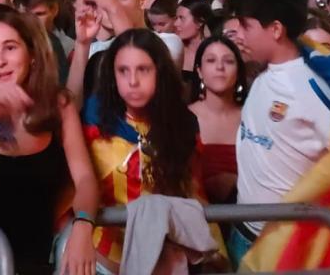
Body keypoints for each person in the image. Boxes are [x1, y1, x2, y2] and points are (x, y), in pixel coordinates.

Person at [0, 8, 98, 275]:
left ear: (32, 55)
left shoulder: (58, 105)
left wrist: (83, 226)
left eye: (10, 48)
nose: (0, 60)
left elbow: (85, 178)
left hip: (35, 262)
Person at [83, 29, 224, 273]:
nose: (133, 81)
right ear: (112, 75)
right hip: (99, 260)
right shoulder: (92, 121)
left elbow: (193, 192)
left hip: (160, 261)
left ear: (160, 72)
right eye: (123, 70)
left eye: (143, 70)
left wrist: (216, 252)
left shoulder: (182, 125)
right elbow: (73, 189)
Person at [229, 0, 330, 264]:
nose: (239, 35)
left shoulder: (312, 88)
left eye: (246, 25)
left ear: (275, 29)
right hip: (243, 232)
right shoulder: (263, 77)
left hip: (287, 248)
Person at [189, 35, 247, 204]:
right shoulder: (182, 117)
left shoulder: (252, 116)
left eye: (228, 61)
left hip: (247, 213)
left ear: (238, 71)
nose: (220, 67)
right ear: (199, 71)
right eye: (211, 60)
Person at [16, 0, 71, 84]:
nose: (32, 20)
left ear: (54, 10)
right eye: (27, 14)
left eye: (39, 14)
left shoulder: (63, 46)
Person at [175, 0, 214, 87]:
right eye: (176, 18)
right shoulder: (174, 51)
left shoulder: (213, 52)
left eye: (182, 18)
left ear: (200, 22)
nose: (176, 23)